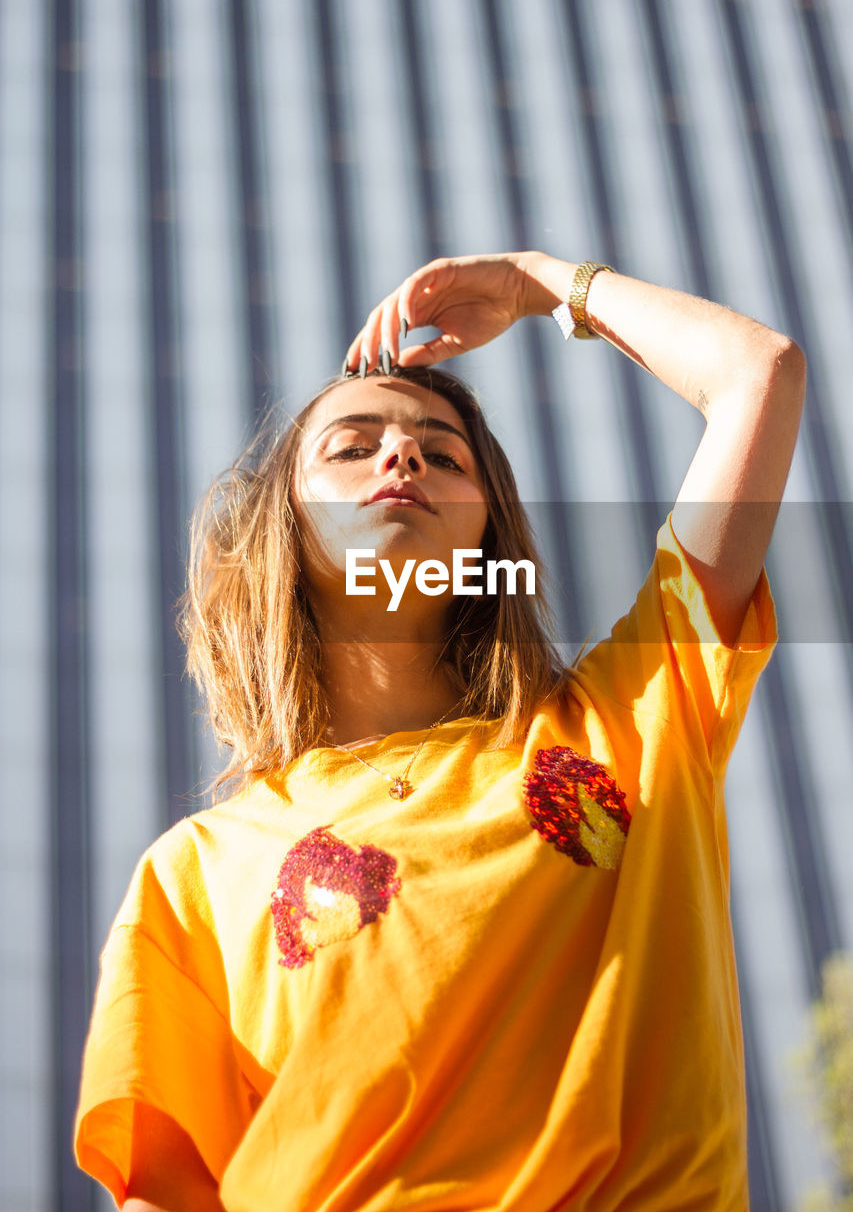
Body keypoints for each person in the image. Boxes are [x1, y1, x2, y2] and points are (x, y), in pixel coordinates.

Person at [74, 252, 805, 1211]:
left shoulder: (637, 716)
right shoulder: (193, 874)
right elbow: (165, 1194)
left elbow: (760, 372)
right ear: (281, 534)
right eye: (351, 444)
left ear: (487, 537)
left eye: (442, 451)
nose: (402, 456)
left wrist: (539, 283)